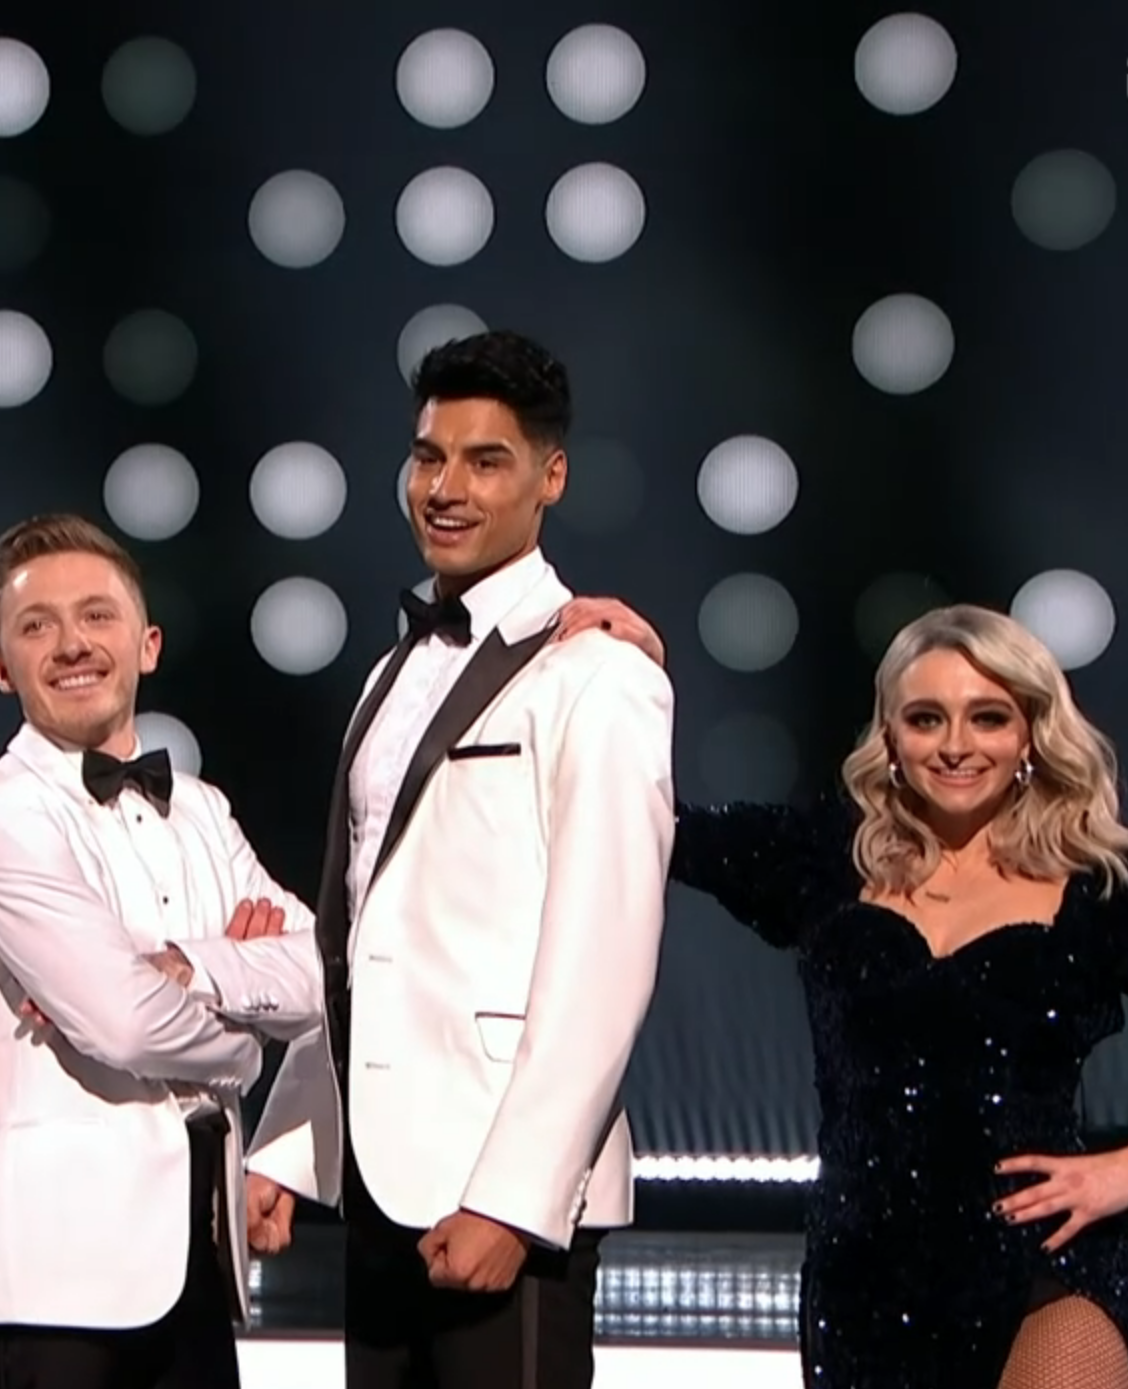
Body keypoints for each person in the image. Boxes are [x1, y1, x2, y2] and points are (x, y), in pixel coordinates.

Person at [583, 599, 1128, 1389]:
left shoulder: (1109, 885)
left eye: (987, 717)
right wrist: (645, 679)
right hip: (863, 1276)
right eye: (926, 718)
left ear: (1031, 734)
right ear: (891, 738)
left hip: (1045, 1261)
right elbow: (647, 827)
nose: (955, 745)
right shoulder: (825, 863)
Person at [244, 330, 677, 1389]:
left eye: (485, 461)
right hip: (377, 1175)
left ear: (550, 477)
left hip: (499, 1182)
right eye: (429, 456)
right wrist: (293, 1140)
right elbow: (364, 927)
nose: (446, 487)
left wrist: (515, 1198)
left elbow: (603, 960)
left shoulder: (597, 675)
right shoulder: (395, 669)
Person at [0, 514, 327, 1389]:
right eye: (36, 626)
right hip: (56, 1284)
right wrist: (246, 1042)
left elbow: (325, 969)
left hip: (193, 1261)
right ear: (0, 666)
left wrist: (193, 967)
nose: (71, 643)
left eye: (96, 616)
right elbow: (122, 1024)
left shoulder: (201, 809)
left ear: (146, 644)